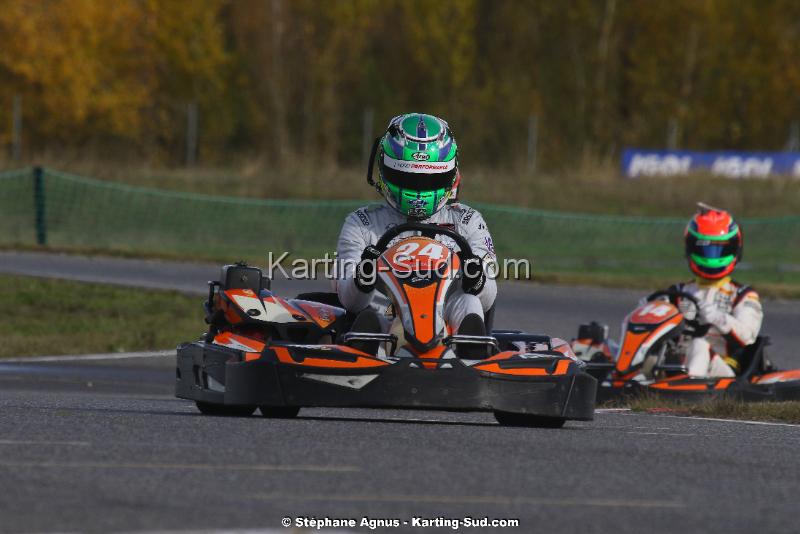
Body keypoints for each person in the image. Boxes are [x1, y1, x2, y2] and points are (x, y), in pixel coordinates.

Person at [335, 113, 497, 353]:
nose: (419, 191)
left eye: (430, 180)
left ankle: (471, 358)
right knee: (373, 312)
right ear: (384, 170)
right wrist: (362, 279)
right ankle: (366, 356)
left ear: (450, 175)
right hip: (390, 311)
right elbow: (350, 300)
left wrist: (478, 280)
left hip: (446, 315)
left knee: (470, 301)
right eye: (407, 178)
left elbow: (488, 296)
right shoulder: (362, 224)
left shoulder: (467, 221)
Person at [669, 203, 763, 377]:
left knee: (699, 344)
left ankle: (688, 384)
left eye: (719, 250)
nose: (711, 258)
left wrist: (718, 318)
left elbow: (747, 336)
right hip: (674, 361)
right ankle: (621, 378)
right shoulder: (678, 292)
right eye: (704, 249)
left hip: (722, 370)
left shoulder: (743, 295)